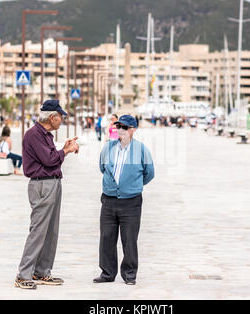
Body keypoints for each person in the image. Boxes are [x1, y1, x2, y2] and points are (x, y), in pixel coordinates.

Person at [15, 100, 79, 290]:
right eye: (61, 117)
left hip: (52, 183)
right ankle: (23, 274)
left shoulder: (46, 135)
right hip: (42, 185)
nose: (62, 120)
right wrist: (65, 151)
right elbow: (50, 160)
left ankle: (41, 271)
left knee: (51, 230)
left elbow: (51, 159)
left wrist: (63, 149)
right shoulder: (34, 135)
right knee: (38, 230)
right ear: (52, 117)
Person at [94, 115, 155, 286]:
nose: (121, 130)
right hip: (109, 200)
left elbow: (149, 173)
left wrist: (133, 186)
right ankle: (107, 273)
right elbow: (102, 167)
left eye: (125, 127)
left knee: (129, 239)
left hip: (131, 202)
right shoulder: (108, 148)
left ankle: (129, 274)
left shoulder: (142, 150)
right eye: (118, 126)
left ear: (132, 130)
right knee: (106, 237)